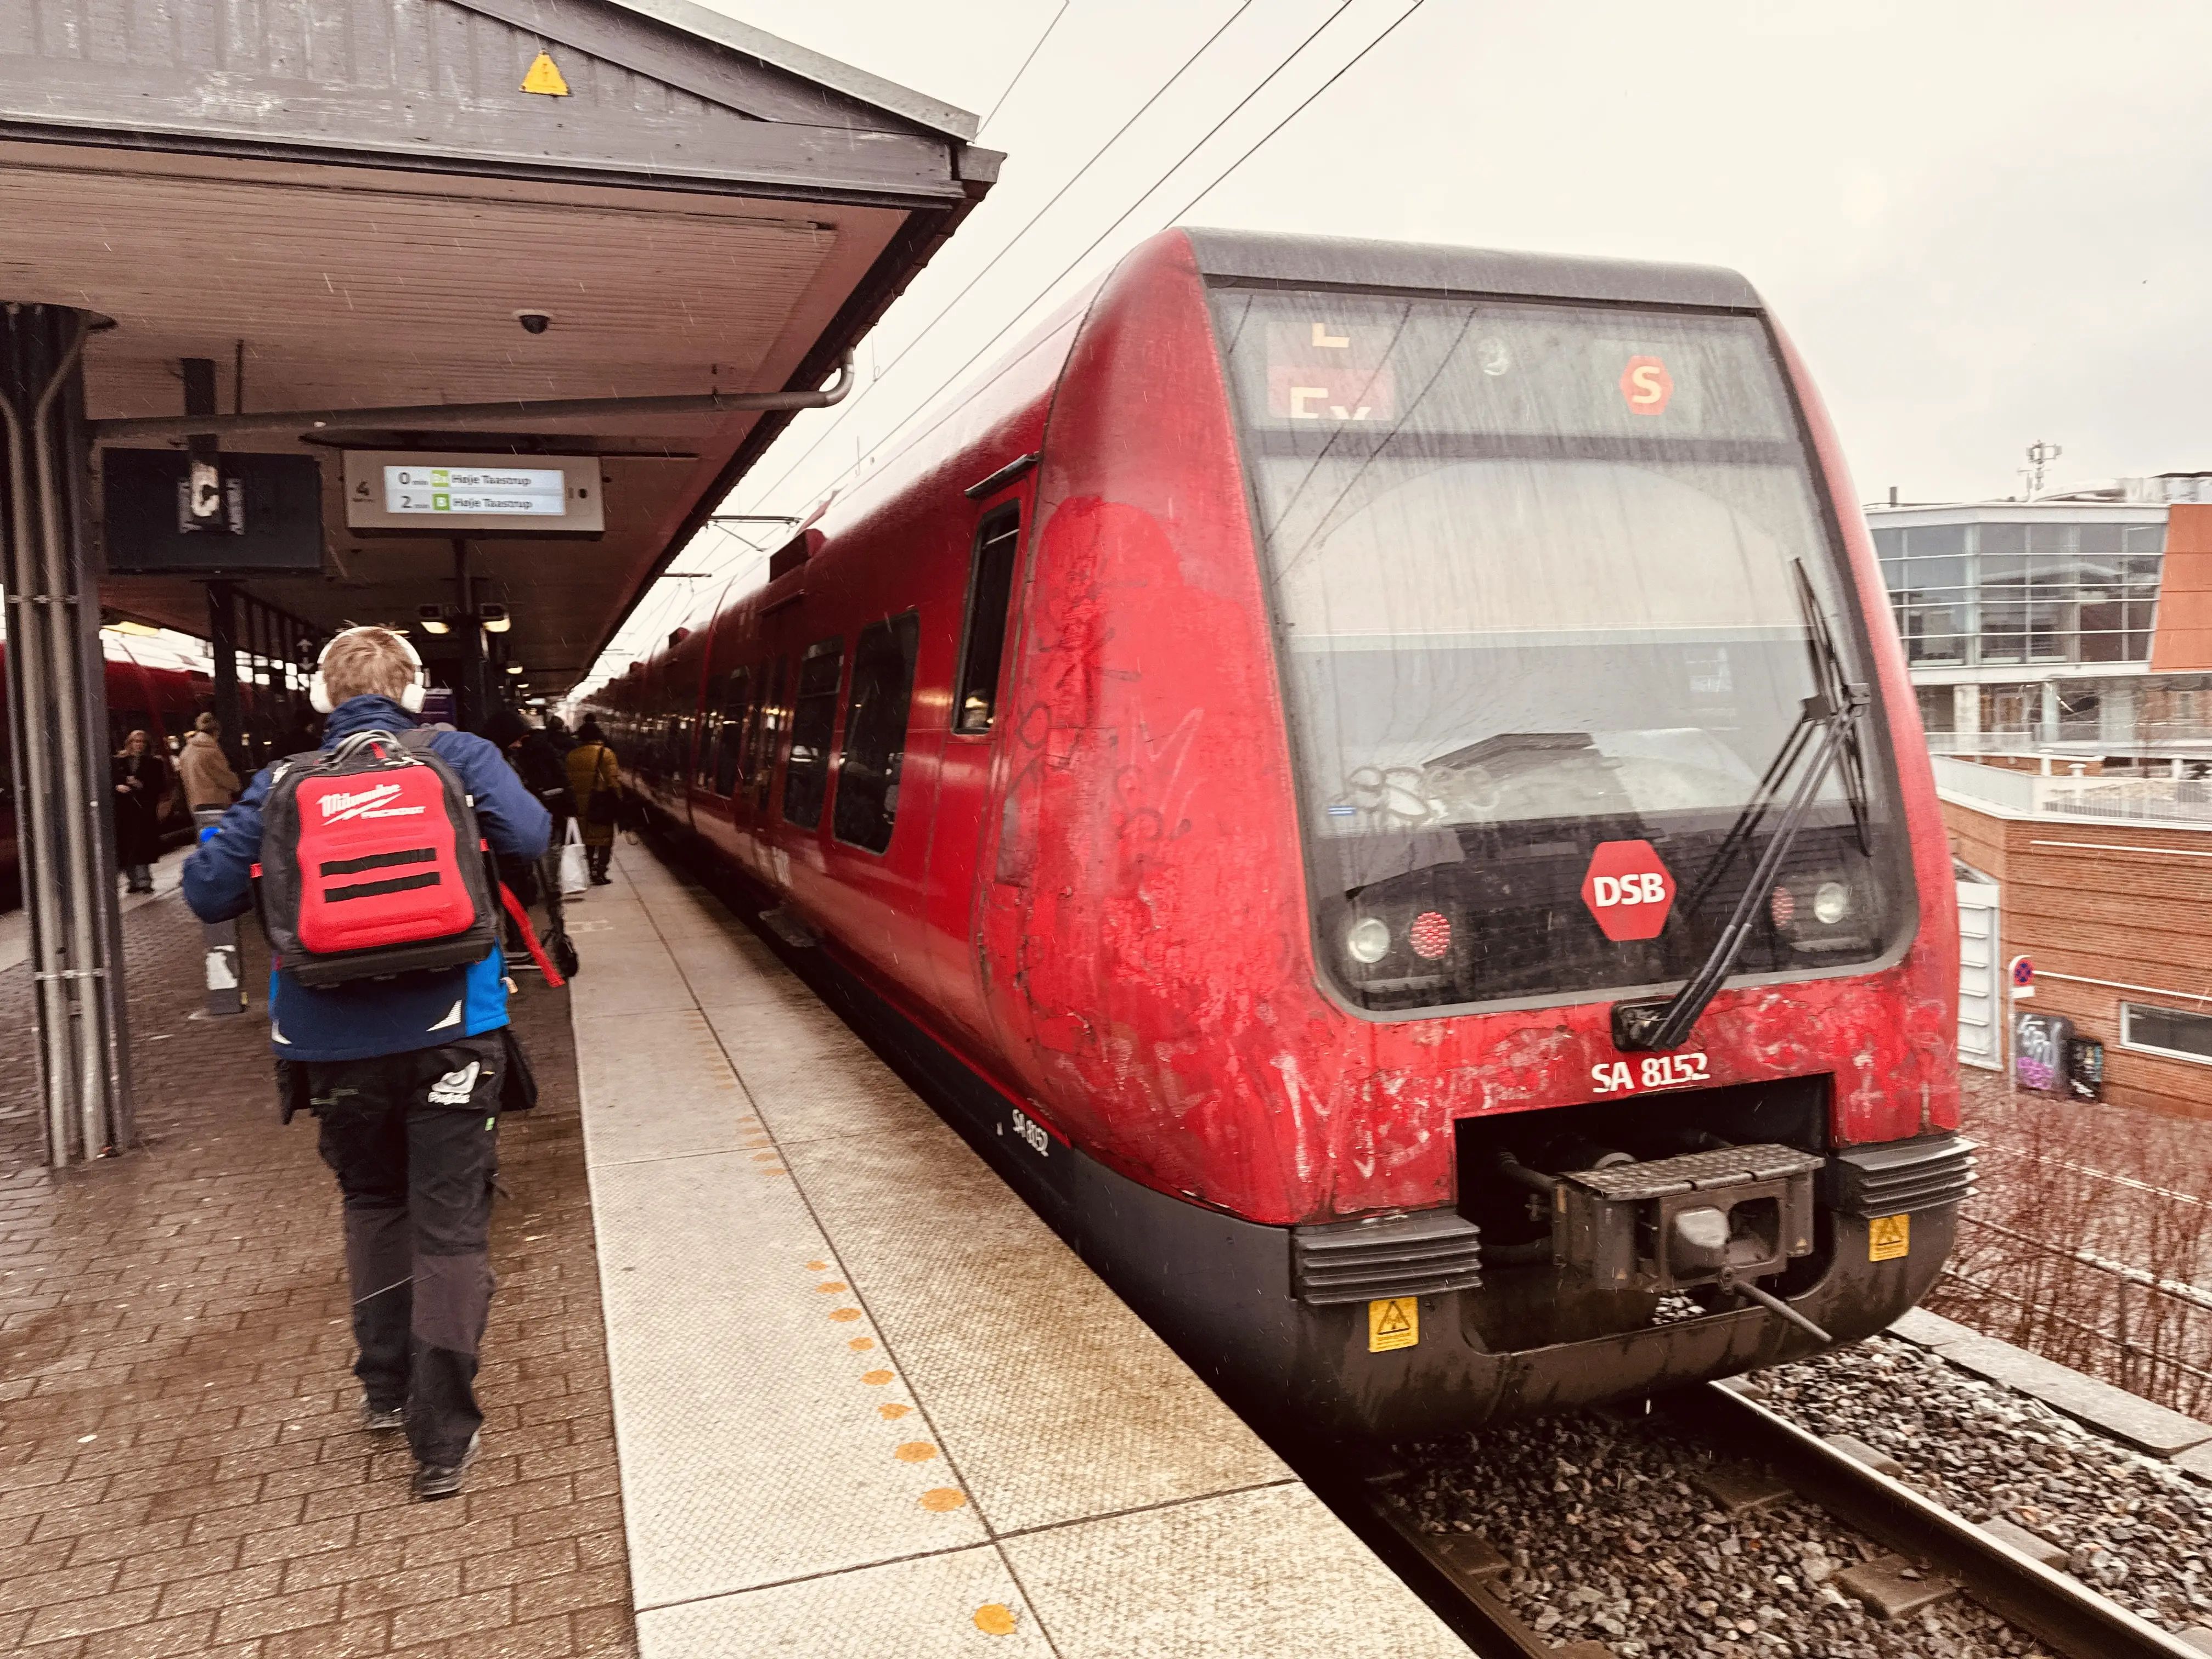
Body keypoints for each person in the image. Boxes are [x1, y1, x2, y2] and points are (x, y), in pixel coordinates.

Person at [182, 627, 550, 1501]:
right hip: (454, 1031)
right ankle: (444, 1440)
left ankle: (385, 1390)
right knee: (451, 1226)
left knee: (375, 1204)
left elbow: (207, 893)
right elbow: (531, 836)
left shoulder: (284, 779)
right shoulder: (458, 755)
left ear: (322, 698)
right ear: (416, 691)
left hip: (329, 1042)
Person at [111, 729, 167, 894]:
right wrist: (118, 787)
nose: (139, 745)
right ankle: (134, 881)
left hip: (143, 810)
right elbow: (110, 781)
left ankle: (144, 881)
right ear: (130, 743)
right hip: (124, 811)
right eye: (136, 741)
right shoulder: (118, 761)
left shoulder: (154, 763)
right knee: (127, 847)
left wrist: (141, 785)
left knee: (141, 847)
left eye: (142, 742)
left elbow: (160, 786)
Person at [567, 719, 620, 885]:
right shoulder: (606, 754)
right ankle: (600, 872)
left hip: (580, 805)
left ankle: (588, 869)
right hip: (600, 805)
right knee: (604, 840)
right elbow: (613, 781)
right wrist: (620, 800)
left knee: (587, 840)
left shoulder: (572, 755)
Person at [177, 712, 241, 811]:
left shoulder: (186, 752)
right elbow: (222, 775)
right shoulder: (210, 750)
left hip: (195, 804)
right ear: (215, 731)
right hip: (215, 802)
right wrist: (236, 784)